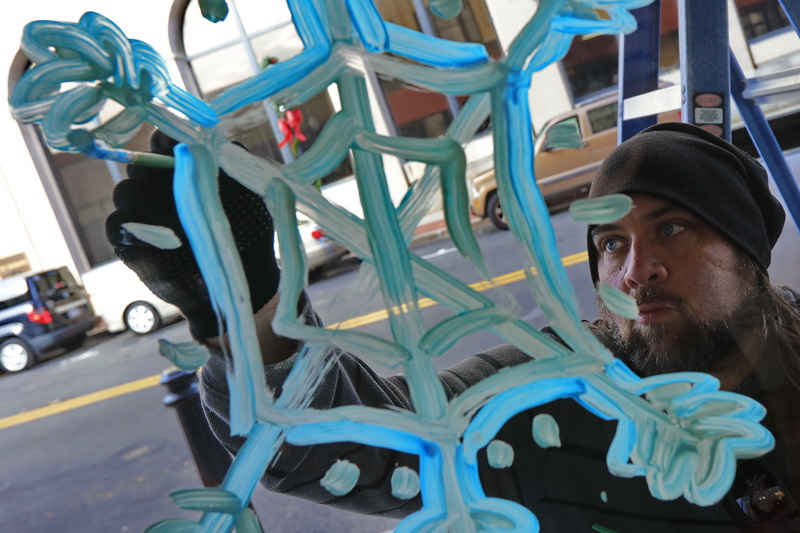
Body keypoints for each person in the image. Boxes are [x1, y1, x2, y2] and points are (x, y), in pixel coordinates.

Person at [107, 123, 800, 531]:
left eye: (671, 228)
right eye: (611, 243)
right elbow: (351, 439)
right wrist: (240, 298)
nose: (634, 270)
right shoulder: (548, 392)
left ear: (746, 249)